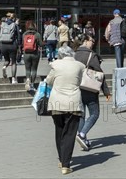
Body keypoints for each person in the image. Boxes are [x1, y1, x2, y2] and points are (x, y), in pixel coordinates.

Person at [46, 46, 86, 175]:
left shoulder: (55, 65)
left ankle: (61, 159)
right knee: (69, 134)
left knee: (59, 131)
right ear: (71, 54)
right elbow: (81, 81)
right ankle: (65, 165)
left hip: (56, 103)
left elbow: (49, 81)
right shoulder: (80, 66)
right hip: (73, 103)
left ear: (60, 55)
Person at [74, 34, 111, 151]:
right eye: (91, 41)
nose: (93, 43)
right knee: (95, 114)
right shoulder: (91, 55)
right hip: (90, 89)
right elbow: (100, 75)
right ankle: (82, 134)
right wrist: (106, 92)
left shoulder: (74, 55)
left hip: (77, 88)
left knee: (81, 115)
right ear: (85, 41)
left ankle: (82, 138)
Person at [22, 21, 42, 91]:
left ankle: (27, 79)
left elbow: (22, 44)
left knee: (27, 69)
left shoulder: (24, 34)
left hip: (26, 53)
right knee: (34, 69)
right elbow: (41, 44)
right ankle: (32, 85)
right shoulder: (37, 34)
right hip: (35, 53)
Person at [0, 13, 19, 84]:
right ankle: (13, 78)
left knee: (7, 60)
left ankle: (4, 67)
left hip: (3, 45)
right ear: (13, 18)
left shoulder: (2, 25)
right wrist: (19, 45)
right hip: (12, 45)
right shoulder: (15, 25)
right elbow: (18, 36)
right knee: (13, 62)